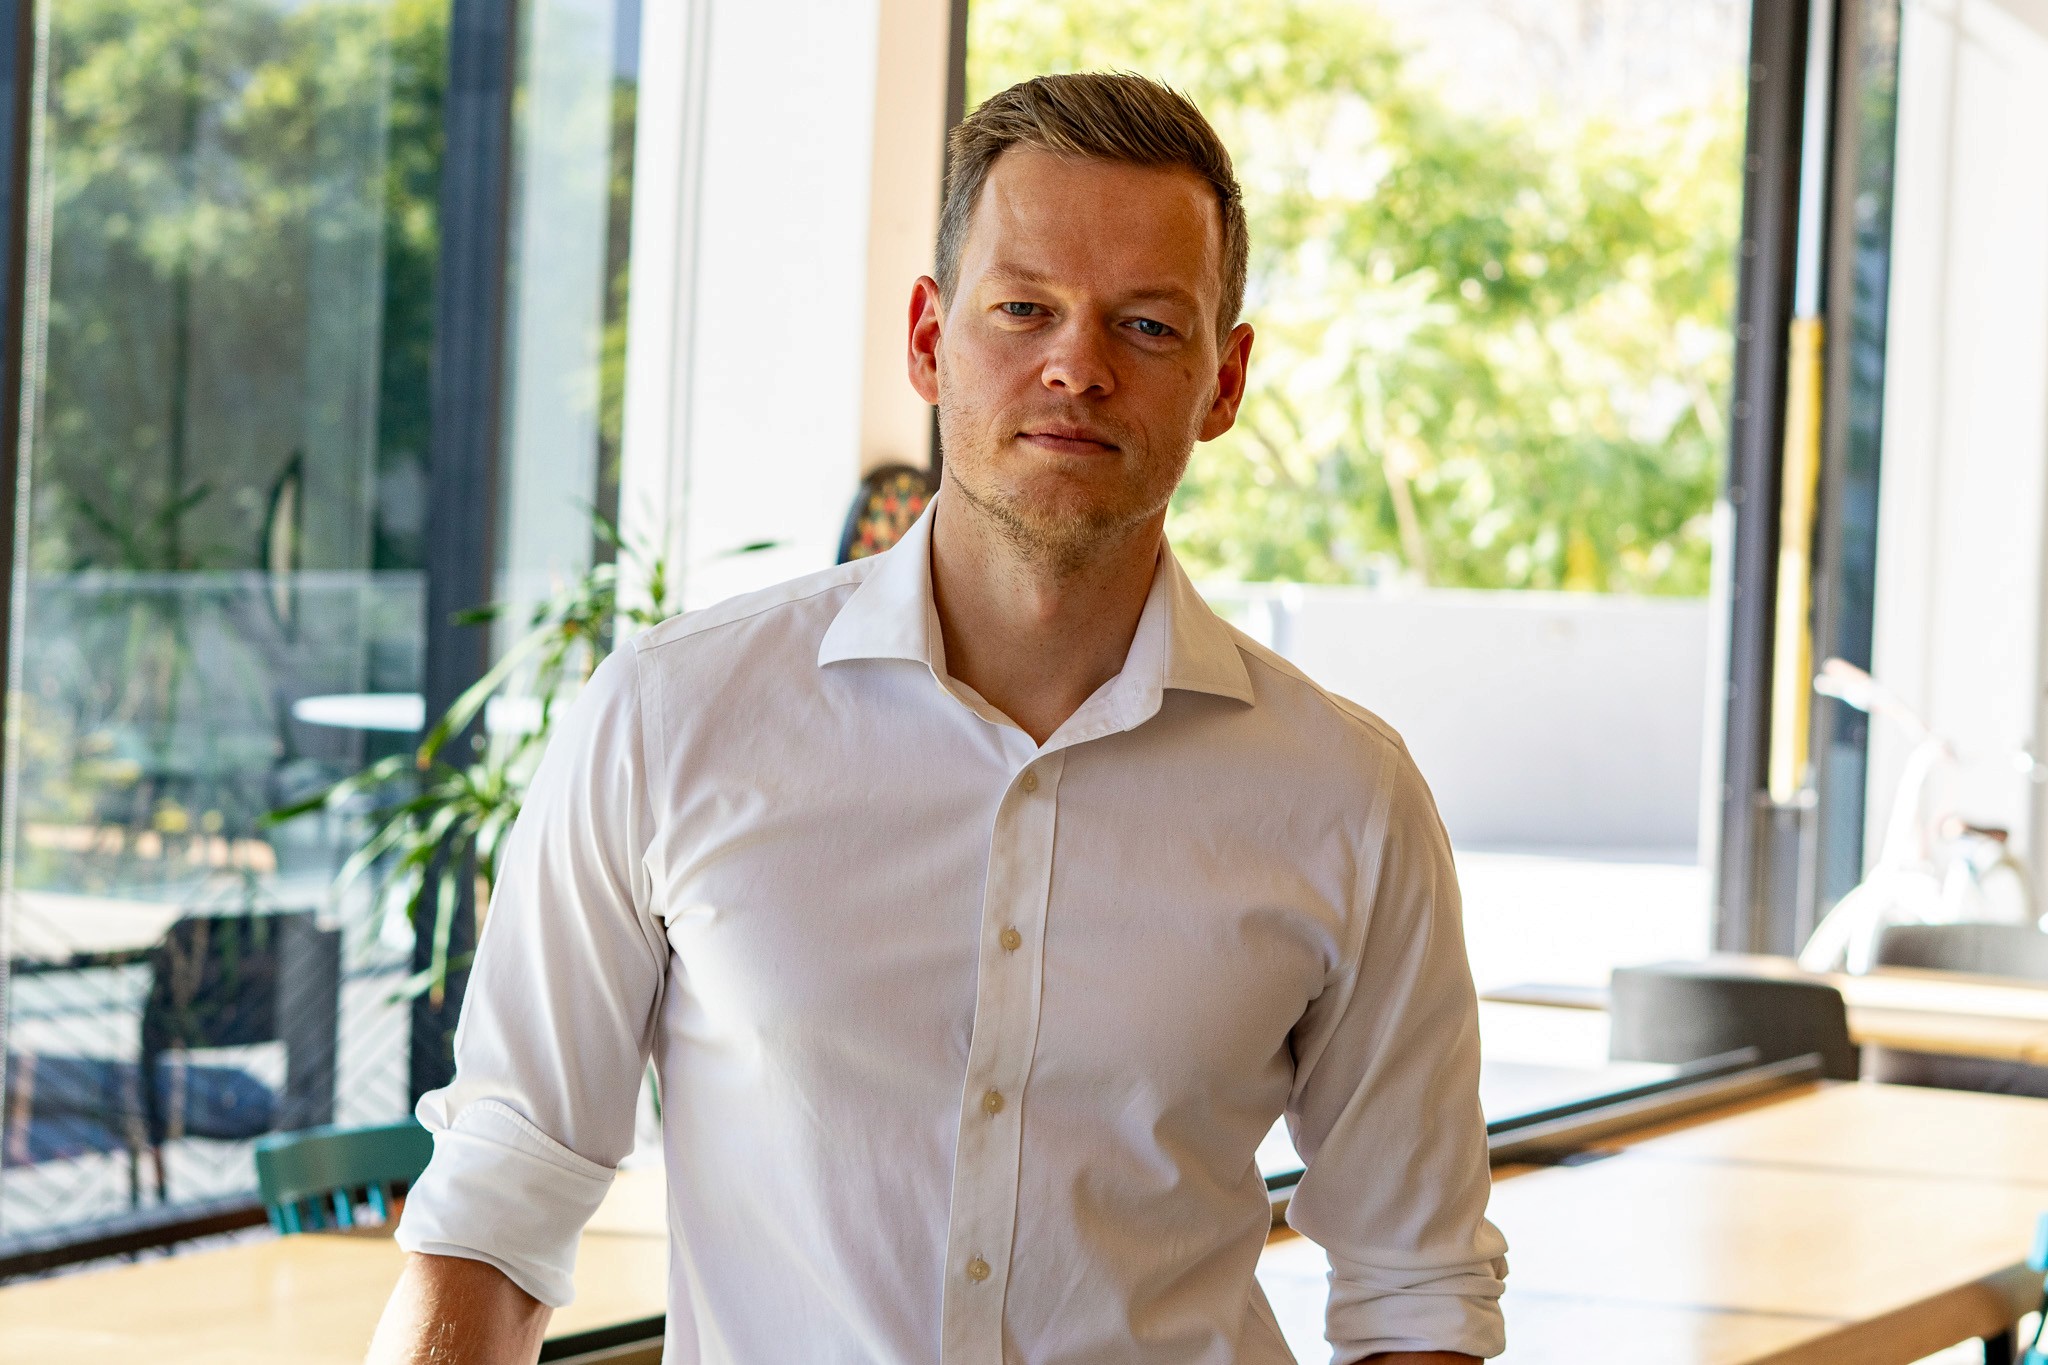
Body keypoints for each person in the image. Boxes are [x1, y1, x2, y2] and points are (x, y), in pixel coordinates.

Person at [370, 71, 1506, 1365]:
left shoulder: (1345, 794)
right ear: (928, 338)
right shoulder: (673, 717)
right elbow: (500, 1203)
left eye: (1146, 326)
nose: (1076, 364)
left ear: (1224, 379)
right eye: (1023, 309)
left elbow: (1417, 1289)